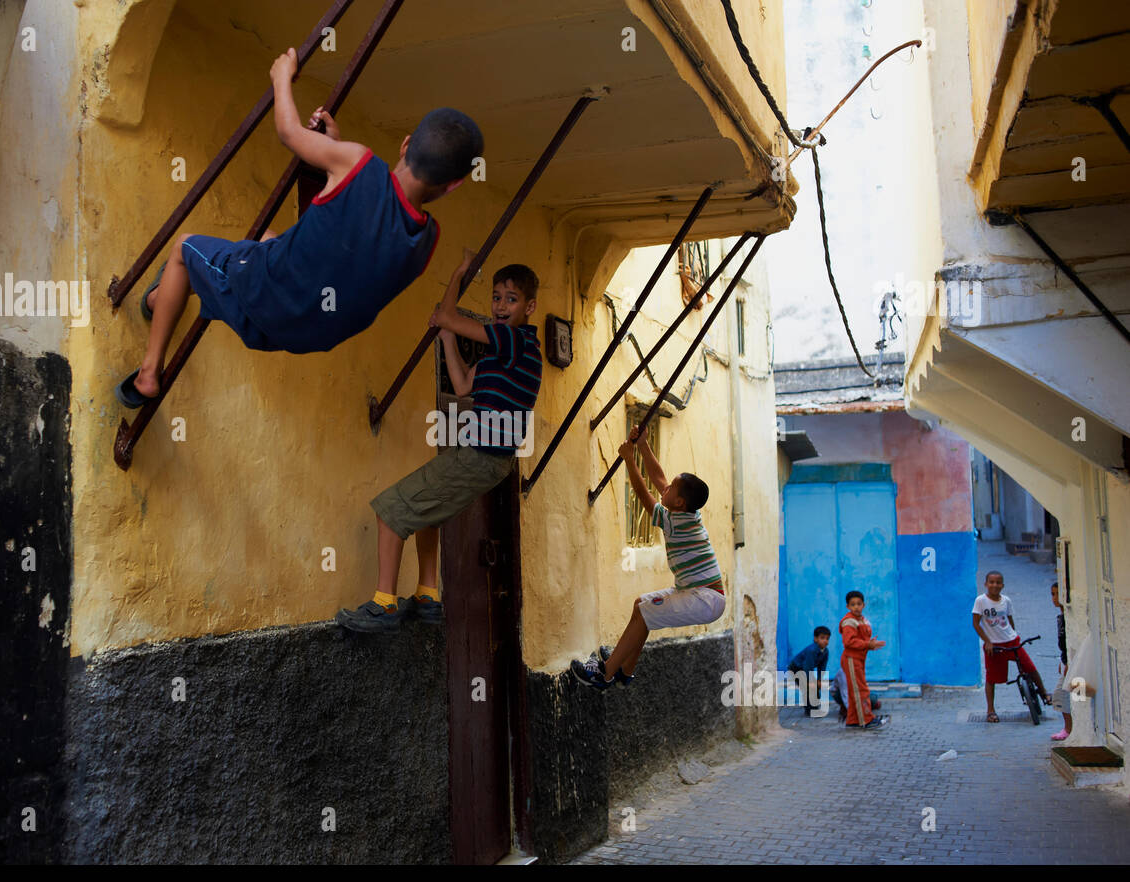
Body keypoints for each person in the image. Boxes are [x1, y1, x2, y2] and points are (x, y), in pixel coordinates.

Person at [116, 47, 482, 407]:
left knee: (184, 249)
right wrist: (332, 150)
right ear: (453, 185)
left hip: (262, 299)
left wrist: (281, 77)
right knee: (265, 239)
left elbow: (289, 132)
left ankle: (149, 372)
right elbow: (352, 243)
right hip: (300, 335)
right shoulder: (427, 240)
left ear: (405, 145)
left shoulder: (358, 163)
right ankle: (167, 297)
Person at [336, 253, 542, 632]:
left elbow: (447, 314)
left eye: (511, 299)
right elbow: (463, 385)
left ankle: (384, 604)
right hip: (485, 457)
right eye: (496, 297)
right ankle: (428, 595)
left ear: (529, 307)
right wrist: (447, 338)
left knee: (391, 510)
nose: (500, 305)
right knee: (427, 515)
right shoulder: (501, 356)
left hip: (481, 455)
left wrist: (456, 275)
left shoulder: (516, 342)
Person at [571, 425, 725, 689]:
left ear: (678, 502)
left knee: (645, 611)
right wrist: (643, 445)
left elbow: (644, 496)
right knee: (641, 604)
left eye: (671, 489)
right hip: (697, 593)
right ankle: (624, 670)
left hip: (704, 599)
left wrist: (630, 460)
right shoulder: (685, 512)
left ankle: (604, 675)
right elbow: (660, 478)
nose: (665, 488)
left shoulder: (673, 521)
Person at [972, 570, 1050, 723]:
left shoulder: (1006, 601)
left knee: (1031, 668)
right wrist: (987, 641)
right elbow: (975, 623)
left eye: (998, 582)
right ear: (986, 584)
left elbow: (1009, 620)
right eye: (991, 582)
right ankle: (991, 710)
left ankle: (1044, 693)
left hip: (1012, 641)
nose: (995, 585)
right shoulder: (981, 601)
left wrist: (1014, 634)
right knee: (991, 679)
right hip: (993, 646)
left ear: (1003, 585)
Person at [840, 590, 888, 728]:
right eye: (853, 604)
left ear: (864, 605)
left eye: (859, 604)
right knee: (860, 689)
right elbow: (849, 642)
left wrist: (870, 644)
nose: (856, 607)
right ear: (848, 606)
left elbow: (861, 639)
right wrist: (868, 644)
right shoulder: (849, 621)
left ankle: (853, 720)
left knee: (855, 689)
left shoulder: (861, 620)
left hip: (858, 659)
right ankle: (867, 720)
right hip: (851, 659)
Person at [787, 626, 831, 717]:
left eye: (827, 638)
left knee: (815, 687)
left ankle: (814, 707)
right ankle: (810, 710)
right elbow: (808, 667)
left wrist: (819, 680)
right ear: (815, 639)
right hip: (796, 669)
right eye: (822, 638)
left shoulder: (825, 651)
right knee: (807, 688)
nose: (825, 641)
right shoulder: (812, 650)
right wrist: (810, 682)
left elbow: (822, 667)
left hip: (806, 669)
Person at [1049, 582, 1072, 741]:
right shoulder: (1061, 616)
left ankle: (1069, 729)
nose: (1055, 598)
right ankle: (1069, 728)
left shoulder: (1069, 617)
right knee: (1064, 695)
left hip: (1074, 663)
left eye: (1057, 594)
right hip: (1066, 661)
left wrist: (1069, 661)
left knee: (1071, 695)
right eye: (1053, 594)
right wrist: (1062, 659)